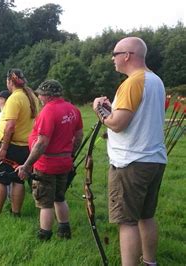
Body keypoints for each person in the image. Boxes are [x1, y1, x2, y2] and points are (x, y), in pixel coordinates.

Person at [92, 37, 167, 266]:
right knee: (146, 216)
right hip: (153, 159)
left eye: (115, 54)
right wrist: (109, 110)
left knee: (128, 222)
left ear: (127, 56)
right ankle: (150, 262)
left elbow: (118, 123)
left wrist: (99, 110)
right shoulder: (155, 80)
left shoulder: (133, 82)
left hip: (131, 162)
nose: (112, 59)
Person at [15, 80, 83, 240]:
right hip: (64, 163)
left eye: (40, 94)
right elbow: (79, 136)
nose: (38, 96)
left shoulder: (48, 111)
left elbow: (41, 143)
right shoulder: (73, 109)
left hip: (46, 165)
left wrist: (26, 166)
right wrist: (70, 154)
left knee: (45, 202)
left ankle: (44, 235)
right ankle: (64, 230)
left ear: (47, 95)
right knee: (60, 197)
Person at [0, 69, 38, 216]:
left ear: (10, 82)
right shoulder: (31, 97)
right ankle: (15, 212)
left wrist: (4, 148)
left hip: (11, 146)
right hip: (26, 146)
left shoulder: (14, 98)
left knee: (1, 179)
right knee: (18, 180)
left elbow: (10, 126)